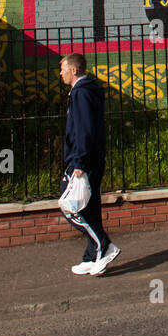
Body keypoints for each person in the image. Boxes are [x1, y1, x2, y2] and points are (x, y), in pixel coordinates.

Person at [58, 53, 119, 276]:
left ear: (74, 70)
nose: (60, 73)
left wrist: (79, 161)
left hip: (84, 160)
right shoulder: (85, 91)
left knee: (70, 206)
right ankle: (92, 255)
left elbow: (84, 129)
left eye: (63, 68)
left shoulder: (82, 93)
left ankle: (104, 245)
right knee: (88, 206)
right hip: (88, 157)